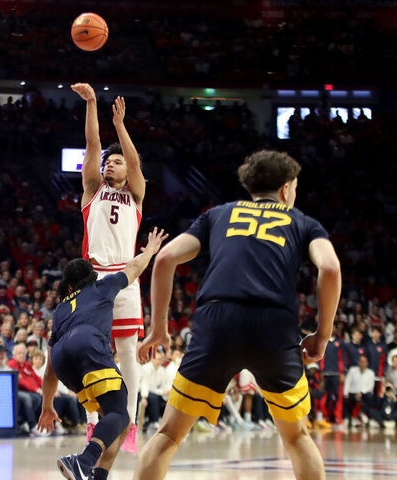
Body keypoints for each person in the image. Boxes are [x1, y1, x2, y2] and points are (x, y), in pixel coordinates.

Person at [134, 150, 341, 480]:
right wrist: (323, 335)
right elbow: (329, 267)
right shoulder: (303, 223)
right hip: (274, 326)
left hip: (218, 320)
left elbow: (164, 259)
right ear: (287, 189)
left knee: (168, 435)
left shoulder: (218, 214)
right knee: (298, 438)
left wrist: (158, 328)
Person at [38, 227, 166, 480]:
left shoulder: (61, 310)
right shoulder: (102, 287)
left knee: (116, 421)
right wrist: (150, 250)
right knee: (120, 413)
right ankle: (83, 461)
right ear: (92, 277)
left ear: (69, 284)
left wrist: (46, 405)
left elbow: (51, 368)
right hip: (87, 344)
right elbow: (133, 269)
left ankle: (98, 476)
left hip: (63, 358)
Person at [72, 83, 146, 453]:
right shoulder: (92, 190)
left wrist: (120, 125)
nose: (108, 164)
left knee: (128, 351)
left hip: (127, 275)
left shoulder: (135, 193)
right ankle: (92, 420)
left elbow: (133, 163)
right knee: (90, 349)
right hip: (95, 275)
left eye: (114, 161)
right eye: (106, 162)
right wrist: (91, 106)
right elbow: (91, 147)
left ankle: (128, 423)